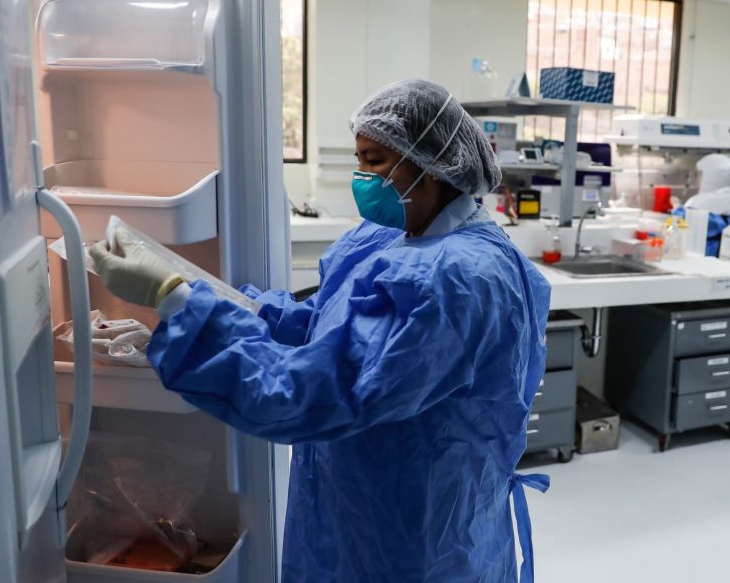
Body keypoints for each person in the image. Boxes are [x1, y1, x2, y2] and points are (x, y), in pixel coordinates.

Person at [89, 80, 553, 582]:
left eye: (375, 161)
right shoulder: (392, 239)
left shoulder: (455, 277)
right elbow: (323, 325)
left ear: (432, 163)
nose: (362, 178)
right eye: (359, 160)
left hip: (417, 523)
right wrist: (212, 300)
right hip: (358, 501)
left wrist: (176, 301)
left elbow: (316, 391)